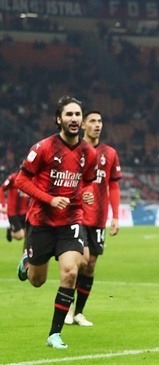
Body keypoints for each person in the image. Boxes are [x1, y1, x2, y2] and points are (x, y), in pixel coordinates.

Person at [15, 95, 98, 349]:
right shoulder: (43, 148)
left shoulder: (89, 153)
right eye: (68, 114)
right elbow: (21, 180)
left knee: (71, 271)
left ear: (81, 121)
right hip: (41, 221)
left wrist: (87, 193)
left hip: (71, 220)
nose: (74, 118)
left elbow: (88, 182)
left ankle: (54, 334)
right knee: (37, 280)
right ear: (58, 119)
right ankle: (27, 262)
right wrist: (50, 199)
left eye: (77, 114)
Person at [64, 110, 123, 327]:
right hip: (77, 215)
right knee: (81, 260)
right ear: (83, 125)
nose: (97, 125)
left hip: (98, 217)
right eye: (92, 121)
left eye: (99, 121)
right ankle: (67, 308)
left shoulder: (110, 153)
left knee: (90, 266)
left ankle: (79, 313)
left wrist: (115, 216)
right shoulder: (75, 150)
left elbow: (113, 185)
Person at [1, 166, 30, 242]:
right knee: (20, 236)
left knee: (26, 234)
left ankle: (12, 230)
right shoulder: (13, 177)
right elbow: (1, 189)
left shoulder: (31, 179)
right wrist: (3, 205)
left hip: (25, 212)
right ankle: (10, 231)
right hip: (13, 212)